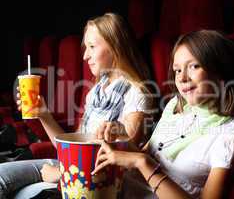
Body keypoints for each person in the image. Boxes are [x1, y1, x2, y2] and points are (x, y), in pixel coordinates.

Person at [0, 13, 152, 199]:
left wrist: (61, 175)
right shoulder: (96, 90)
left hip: (93, 181)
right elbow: (71, 148)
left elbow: (124, 159)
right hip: (70, 167)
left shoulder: (137, 93)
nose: (85, 56)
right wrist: (43, 114)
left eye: (92, 47)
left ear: (115, 46)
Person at [91, 30, 234, 199]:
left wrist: (142, 163)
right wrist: (122, 137)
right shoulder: (175, 106)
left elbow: (143, 161)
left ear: (220, 71)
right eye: (177, 70)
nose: (182, 78)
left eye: (194, 66)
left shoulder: (230, 132)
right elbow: (146, 154)